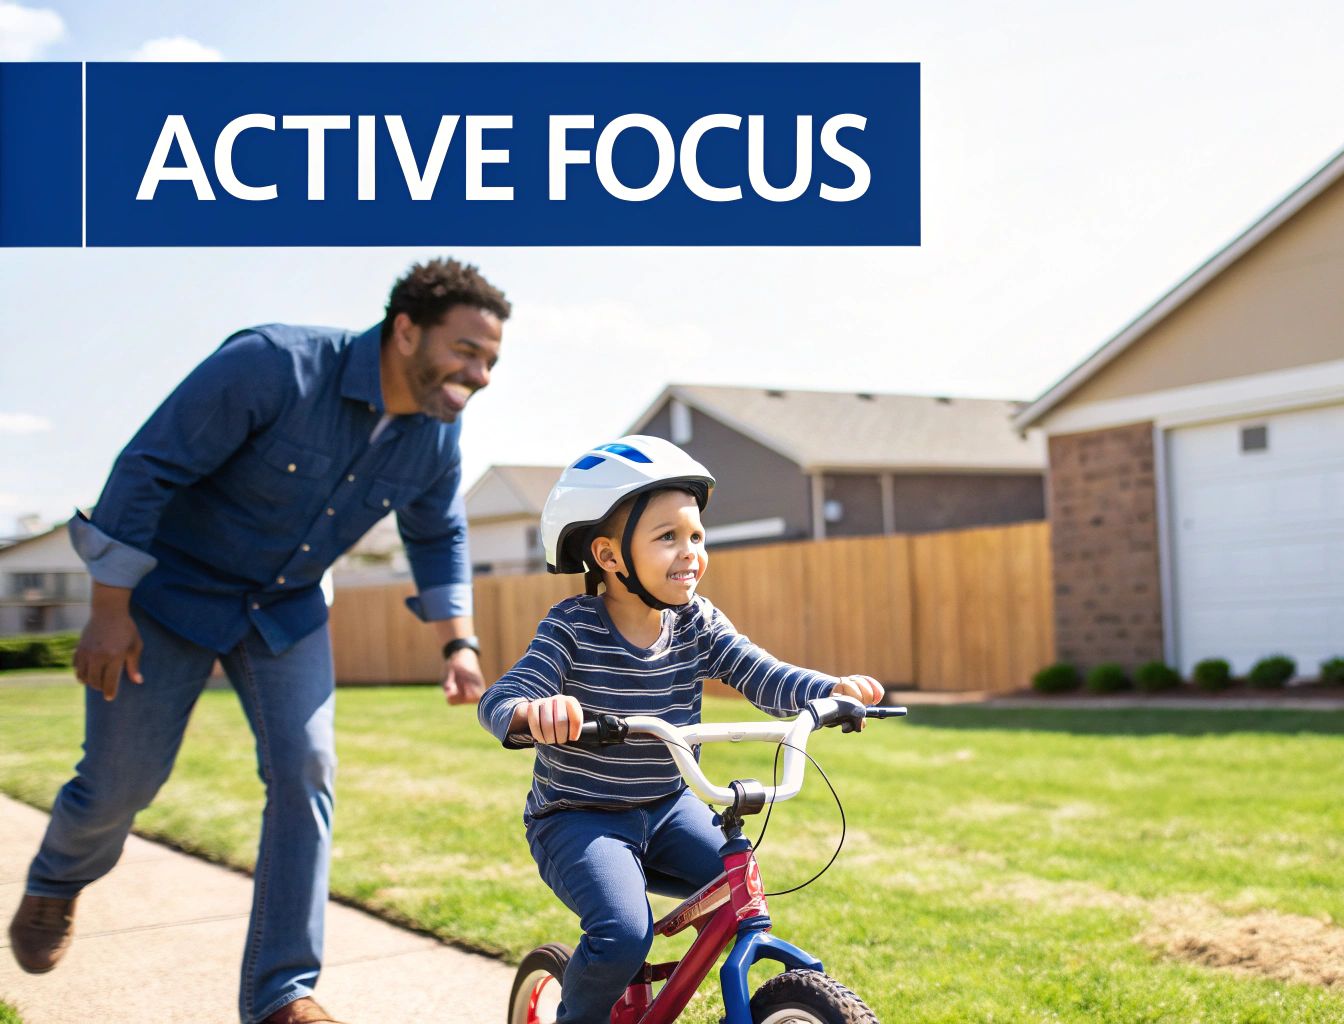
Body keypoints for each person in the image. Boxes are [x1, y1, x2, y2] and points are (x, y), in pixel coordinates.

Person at [8, 259, 511, 1024]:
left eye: (490, 361)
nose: (479, 375)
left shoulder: (435, 438)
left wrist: (458, 645)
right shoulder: (273, 366)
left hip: (285, 609)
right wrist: (110, 611)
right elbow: (146, 471)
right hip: (169, 596)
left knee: (307, 767)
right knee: (121, 783)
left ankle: (283, 995)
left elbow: (437, 532)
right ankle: (56, 880)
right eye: (467, 351)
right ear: (406, 328)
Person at [476, 435, 884, 1024]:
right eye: (667, 537)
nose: (690, 551)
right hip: (577, 816)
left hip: (666, 808)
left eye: (696, 535)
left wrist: (830, 690)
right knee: (621, 932)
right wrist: (533, 712)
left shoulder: (697, 623)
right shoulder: (571, 627)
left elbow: (762, 674)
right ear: (611, 557)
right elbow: (503, 697)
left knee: (740, 894)